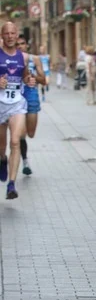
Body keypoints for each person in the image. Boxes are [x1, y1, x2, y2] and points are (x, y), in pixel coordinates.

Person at [0, 22, 30, 199]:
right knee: (1, 147)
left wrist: (28, 80)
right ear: (2, 36)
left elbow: (25, 76)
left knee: (15, 142)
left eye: (13, 33)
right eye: (7, 33)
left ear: (17, 35)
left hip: (17, 104)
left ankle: (11, 185)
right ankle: (2, 159)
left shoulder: (23, 57)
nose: (10, 36)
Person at [16, 34, 46, 176]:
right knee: (21, 134)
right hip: (17, 97)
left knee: (31, 133)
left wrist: (32, 76)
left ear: (26, 45)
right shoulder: (9, 59)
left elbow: (43, 80)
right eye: (17, 44)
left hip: (31, 95)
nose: (19, 46)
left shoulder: (35, 59)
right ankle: (25, 161)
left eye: (22, 43)